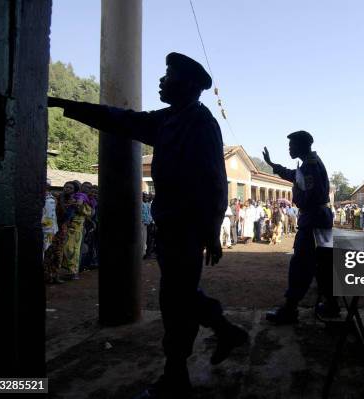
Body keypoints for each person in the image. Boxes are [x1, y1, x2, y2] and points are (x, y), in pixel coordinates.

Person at [48, 52, 247, 397]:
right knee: (181, 294)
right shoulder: (168, 119)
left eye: (167, 75)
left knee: (175, 299)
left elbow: (216, 181)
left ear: (186, 85)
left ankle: (176, 374)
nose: (160, 80)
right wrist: (65, 103)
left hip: (187, 226)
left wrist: (213, 230)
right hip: (170, 224)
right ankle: (224, 332)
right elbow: (120, 119)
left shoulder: (200, 123)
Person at [262, 131, 339, 324]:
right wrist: (273, 165)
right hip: (319, 218)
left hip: (312, 219)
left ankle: (290, 310)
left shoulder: (310, 166)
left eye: (292, 145)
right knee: (323, 265)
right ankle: (332, 305)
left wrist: (298, 199)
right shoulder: (309, 163)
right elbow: (293, 176)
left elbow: (308, 194)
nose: (289, 148)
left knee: (300, 265)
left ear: (303, 145)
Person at [61, 181, 92, 280]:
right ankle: (71, 271)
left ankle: (73, 272)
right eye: (84, 187)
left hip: (76, 229)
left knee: (72, 249)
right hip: (69, 227)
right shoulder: (69, 197)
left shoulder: (83, 199)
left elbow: (88, 212)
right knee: (68, 249)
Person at [141, 192, 153, 258]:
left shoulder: (146, 205)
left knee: (145, 239)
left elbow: (148, 214)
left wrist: (150, 221)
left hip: (147, 223)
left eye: (147, 197)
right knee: (143, 239)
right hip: (142, 223)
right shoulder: (141, 204)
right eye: (145, 197)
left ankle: (145, 253)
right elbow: (142, 215)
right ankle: (143, 253)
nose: (147, 198)